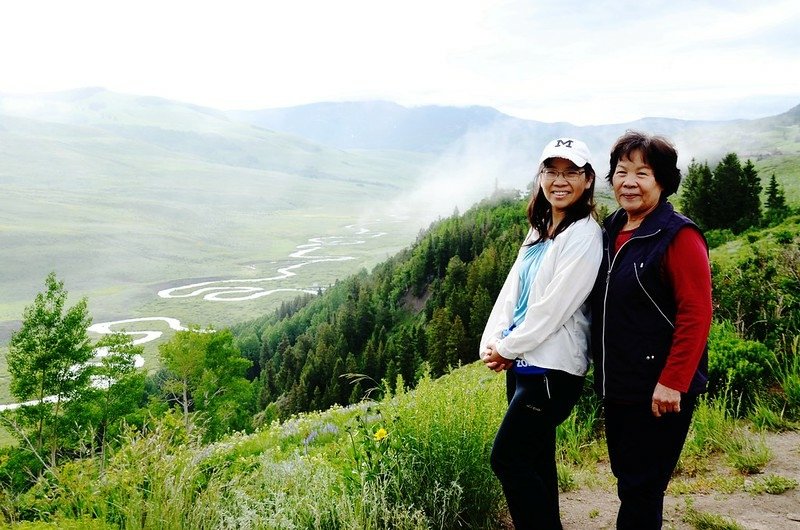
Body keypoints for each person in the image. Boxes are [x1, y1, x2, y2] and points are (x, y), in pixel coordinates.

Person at [591, 131, 713, 529]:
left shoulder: (678, 235)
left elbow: (696, 314)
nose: (629, 181)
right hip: (620, 383)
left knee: (643, 486)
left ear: (662, 181)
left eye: (642, 173)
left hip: (660, 388)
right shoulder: (612, 229)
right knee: (631, 482)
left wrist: (673, 380)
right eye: (621, 171)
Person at [480, 137, 603, 530]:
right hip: (525, 363)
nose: (559, 181)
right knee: (535, 459)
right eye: (551, 171)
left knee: (508, 458)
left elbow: (552, 308)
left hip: (553, 369)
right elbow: (512, 291)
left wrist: (507, 347)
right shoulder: (540, 231)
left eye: (571, 172)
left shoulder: (584, 235)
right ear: (540, 177)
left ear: (587, 180)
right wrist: (492, 342)